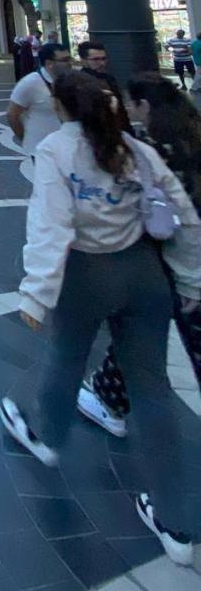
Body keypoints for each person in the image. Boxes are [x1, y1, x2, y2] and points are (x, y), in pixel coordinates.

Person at [0, 71, 201, 567]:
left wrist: (36, 294)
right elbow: (183, 216)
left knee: (66, 359)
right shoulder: (136, 149)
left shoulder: (57, 152)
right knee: (152, 392)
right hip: (144, 277)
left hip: (85, 275)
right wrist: (192, 279)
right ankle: (176, 525)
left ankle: (48, 438)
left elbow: (50, 225)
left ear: (62, 108)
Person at [79, 73, 201, 441]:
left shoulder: (150, 149)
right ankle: (107, 393)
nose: (129, 111)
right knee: (139, 330)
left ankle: (108, 397)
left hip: (172, 259)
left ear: (144, 105)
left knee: (146, 330)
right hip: (177, 260)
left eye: (132, 104)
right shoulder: (192, 134)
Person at [7, 41, 71, 152]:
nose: (70, 63)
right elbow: (12, 115)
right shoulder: (29, 83)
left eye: (70, 59)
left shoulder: (69, 80)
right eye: (65, 60)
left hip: (65, 147)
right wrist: (26, 140)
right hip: (40, 149)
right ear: (49, 63)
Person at [77, 40, 132, 131]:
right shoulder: (79, 82)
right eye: (96, 59)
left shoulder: (109, 79)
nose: (102, 63)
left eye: (103, 59)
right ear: (83, 60)